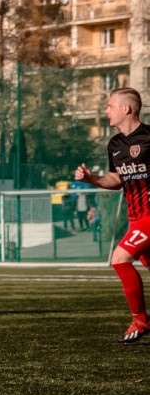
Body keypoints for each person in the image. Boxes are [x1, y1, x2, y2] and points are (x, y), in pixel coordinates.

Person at [75, 87, 150, 344]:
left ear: (126, 109)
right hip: (136, 217)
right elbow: (116, 179)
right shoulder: (115, 144)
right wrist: (91, 178)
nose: (106, 111)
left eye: (110, 106)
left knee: (119, 259)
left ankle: (140, 320)